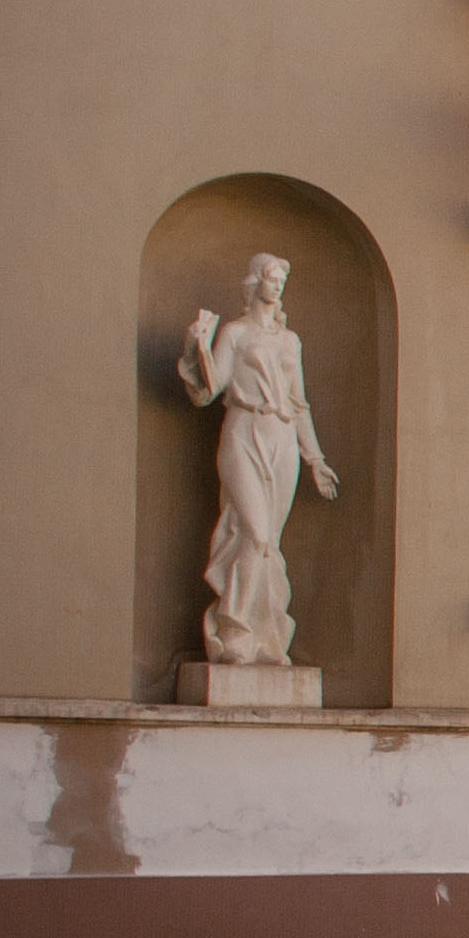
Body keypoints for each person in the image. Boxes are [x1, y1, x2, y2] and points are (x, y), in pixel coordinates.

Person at [179, 253, 338, 665]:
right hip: (243, 430)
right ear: (254, 283)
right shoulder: (235, 332)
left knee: (271, 544)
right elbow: (210, 390)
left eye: (283, 278)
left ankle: (267, 638)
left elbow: (299, 403)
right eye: (271, 277)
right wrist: (195, 346)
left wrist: (315, 459)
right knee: (256, 534)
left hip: (282, 436)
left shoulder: (290, 341)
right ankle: (234, 632)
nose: (278, 284)